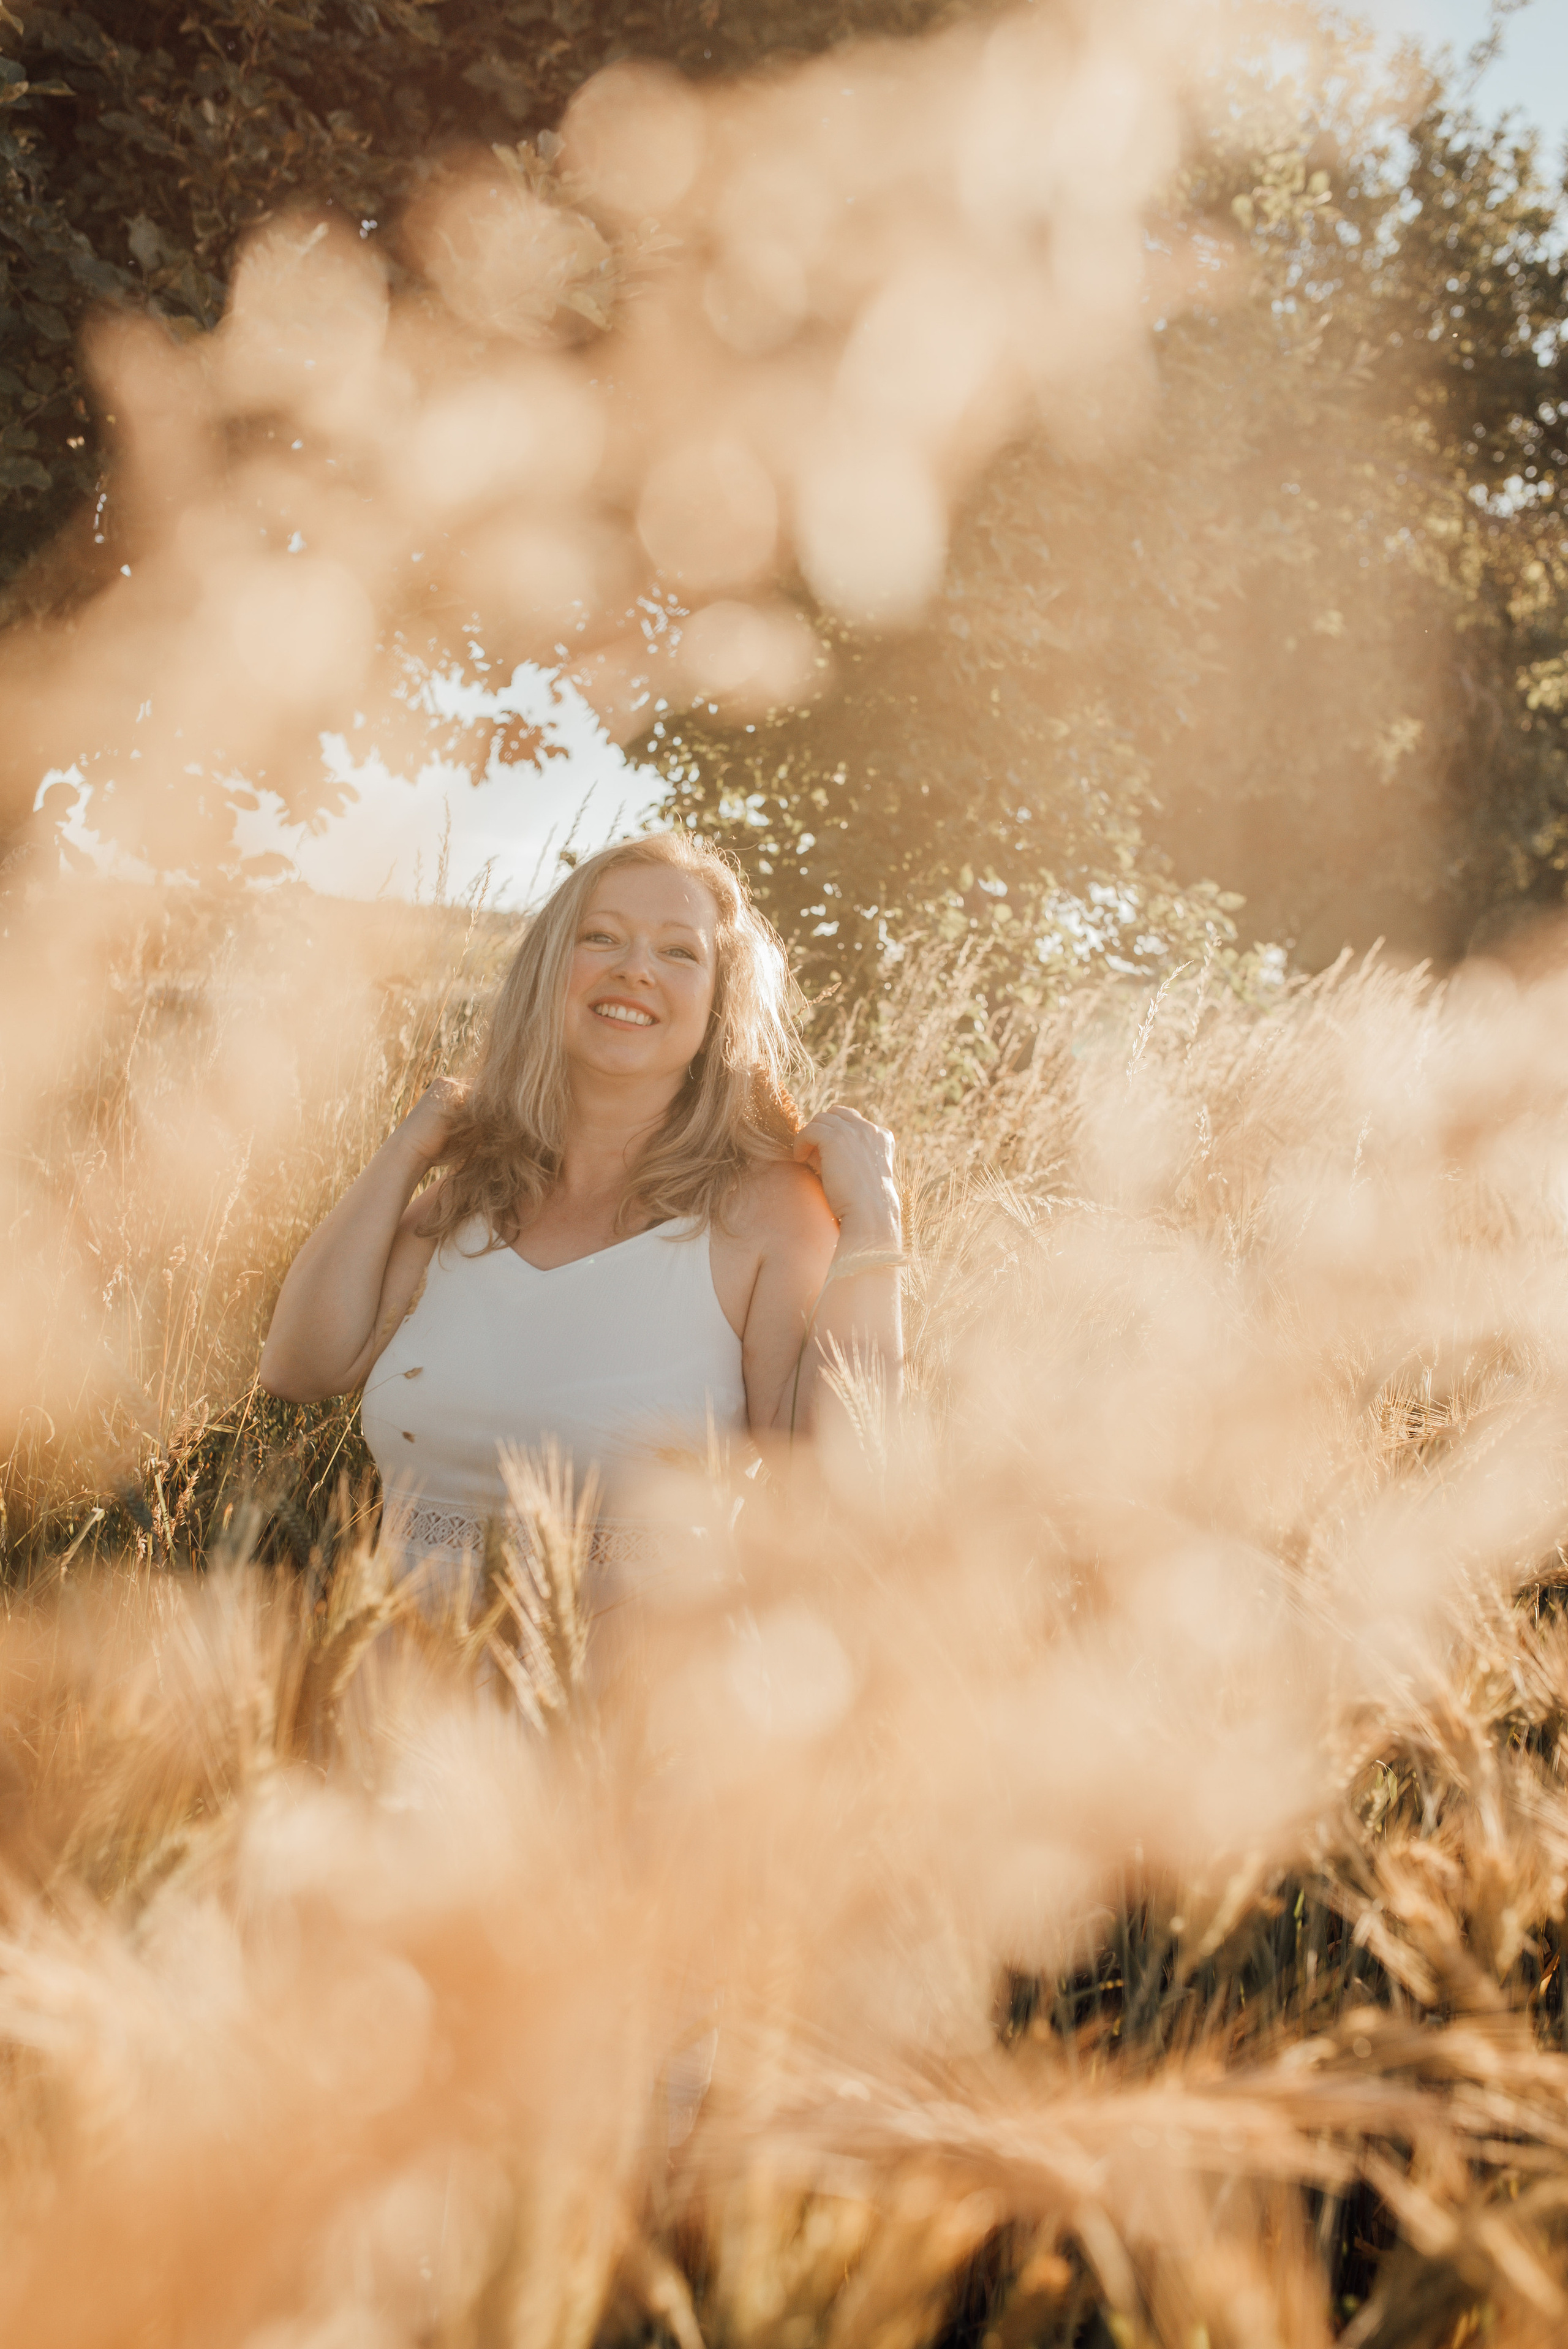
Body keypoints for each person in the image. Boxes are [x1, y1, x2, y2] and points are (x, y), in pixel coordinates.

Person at [258, 831, 902, 1581]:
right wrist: (404, 1153)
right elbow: (298, 1368)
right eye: (601, 938)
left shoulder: (767, 1213)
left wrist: (875, 1225)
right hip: (402, 1685)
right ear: (548, 971)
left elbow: (830, 1481)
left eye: (679, 952)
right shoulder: (475, 1194)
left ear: (718, 1005)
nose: (635, 969)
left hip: (628, 1689)